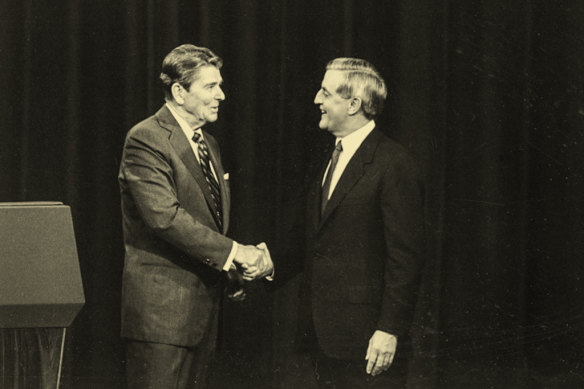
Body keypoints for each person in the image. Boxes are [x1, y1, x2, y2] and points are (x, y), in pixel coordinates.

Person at [118, 44, 273, 389]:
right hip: (162, 320)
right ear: (178, 91)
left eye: (220, 85)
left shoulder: (210, 144)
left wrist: (230, 272)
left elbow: (208, 220)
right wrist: (235, 253)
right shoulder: (146, 138)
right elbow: (165, 217)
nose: (221, 94)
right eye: (210, 86)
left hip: (203, 316)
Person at [268, 58, 425, 388]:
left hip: (370, 343)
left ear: (354, 104)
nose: (316, 100)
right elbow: (312, 241)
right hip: (326, 339)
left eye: (325, 93)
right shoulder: (328, 157)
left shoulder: (394, 163)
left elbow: (405, 259)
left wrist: (389, 330)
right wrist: (261, 265)